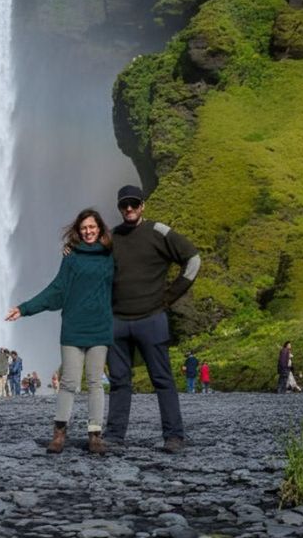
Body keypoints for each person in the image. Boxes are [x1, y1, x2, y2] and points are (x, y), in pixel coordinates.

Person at [7, 208, 115, 454]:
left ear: (100, 228)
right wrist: (24, 309)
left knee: (95, 382)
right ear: (79, 230)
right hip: (73, 327)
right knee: (68, 383)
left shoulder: (111, 255)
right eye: (84, 227)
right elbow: (56, 290)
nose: (88, 231)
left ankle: (95, 435)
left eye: (92, 227)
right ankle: (59, 434)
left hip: (100, 327)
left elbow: (127, 278)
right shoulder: (71, 257)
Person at [102, 185, 201, 454]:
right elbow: (89, 261)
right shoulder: (112, 237)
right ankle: (114, 436)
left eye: (134, 204)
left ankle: (174, 436)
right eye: (125, 205)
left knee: (162, 378)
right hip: (117, 322)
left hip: (152, 319)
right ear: (120, 207)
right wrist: (69, 251)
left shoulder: (159, 231)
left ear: (143, 205)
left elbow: (193, 259)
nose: (129, 209)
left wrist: (170, 296)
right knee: (119, 381)